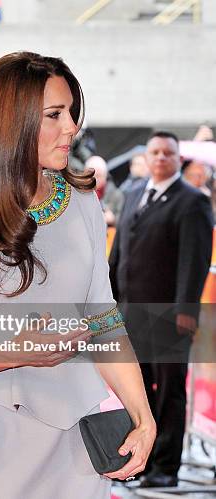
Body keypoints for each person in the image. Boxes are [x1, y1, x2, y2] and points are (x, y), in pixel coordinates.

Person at [0, 52, 156, 499]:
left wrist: (141, 415)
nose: (71, 126)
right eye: (54, 115)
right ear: (11, 122)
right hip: (1, 433)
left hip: (83, 431)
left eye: (70, 112)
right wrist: (17, 351)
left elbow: (105, 319)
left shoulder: (83, 199)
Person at [109, 131, 213, 488]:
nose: (160, 158)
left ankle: (164, 468)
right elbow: (118, 251)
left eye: (168, 153)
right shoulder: (134, 193)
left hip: (170, 315)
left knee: (169, 391)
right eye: (154, 152)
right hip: (130, 312)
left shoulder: (192, 201)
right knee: (138, 390)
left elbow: (194, 261)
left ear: (178, 158)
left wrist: (187, 310)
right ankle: (140, 461)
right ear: (147, 156)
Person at [88, 155, 124, 226]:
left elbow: (124, 220)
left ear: (105, 176)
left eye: (98, 175)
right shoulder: (79, 194)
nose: (94, 179)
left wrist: (112, 219)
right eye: (91, 175)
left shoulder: (116, 195)